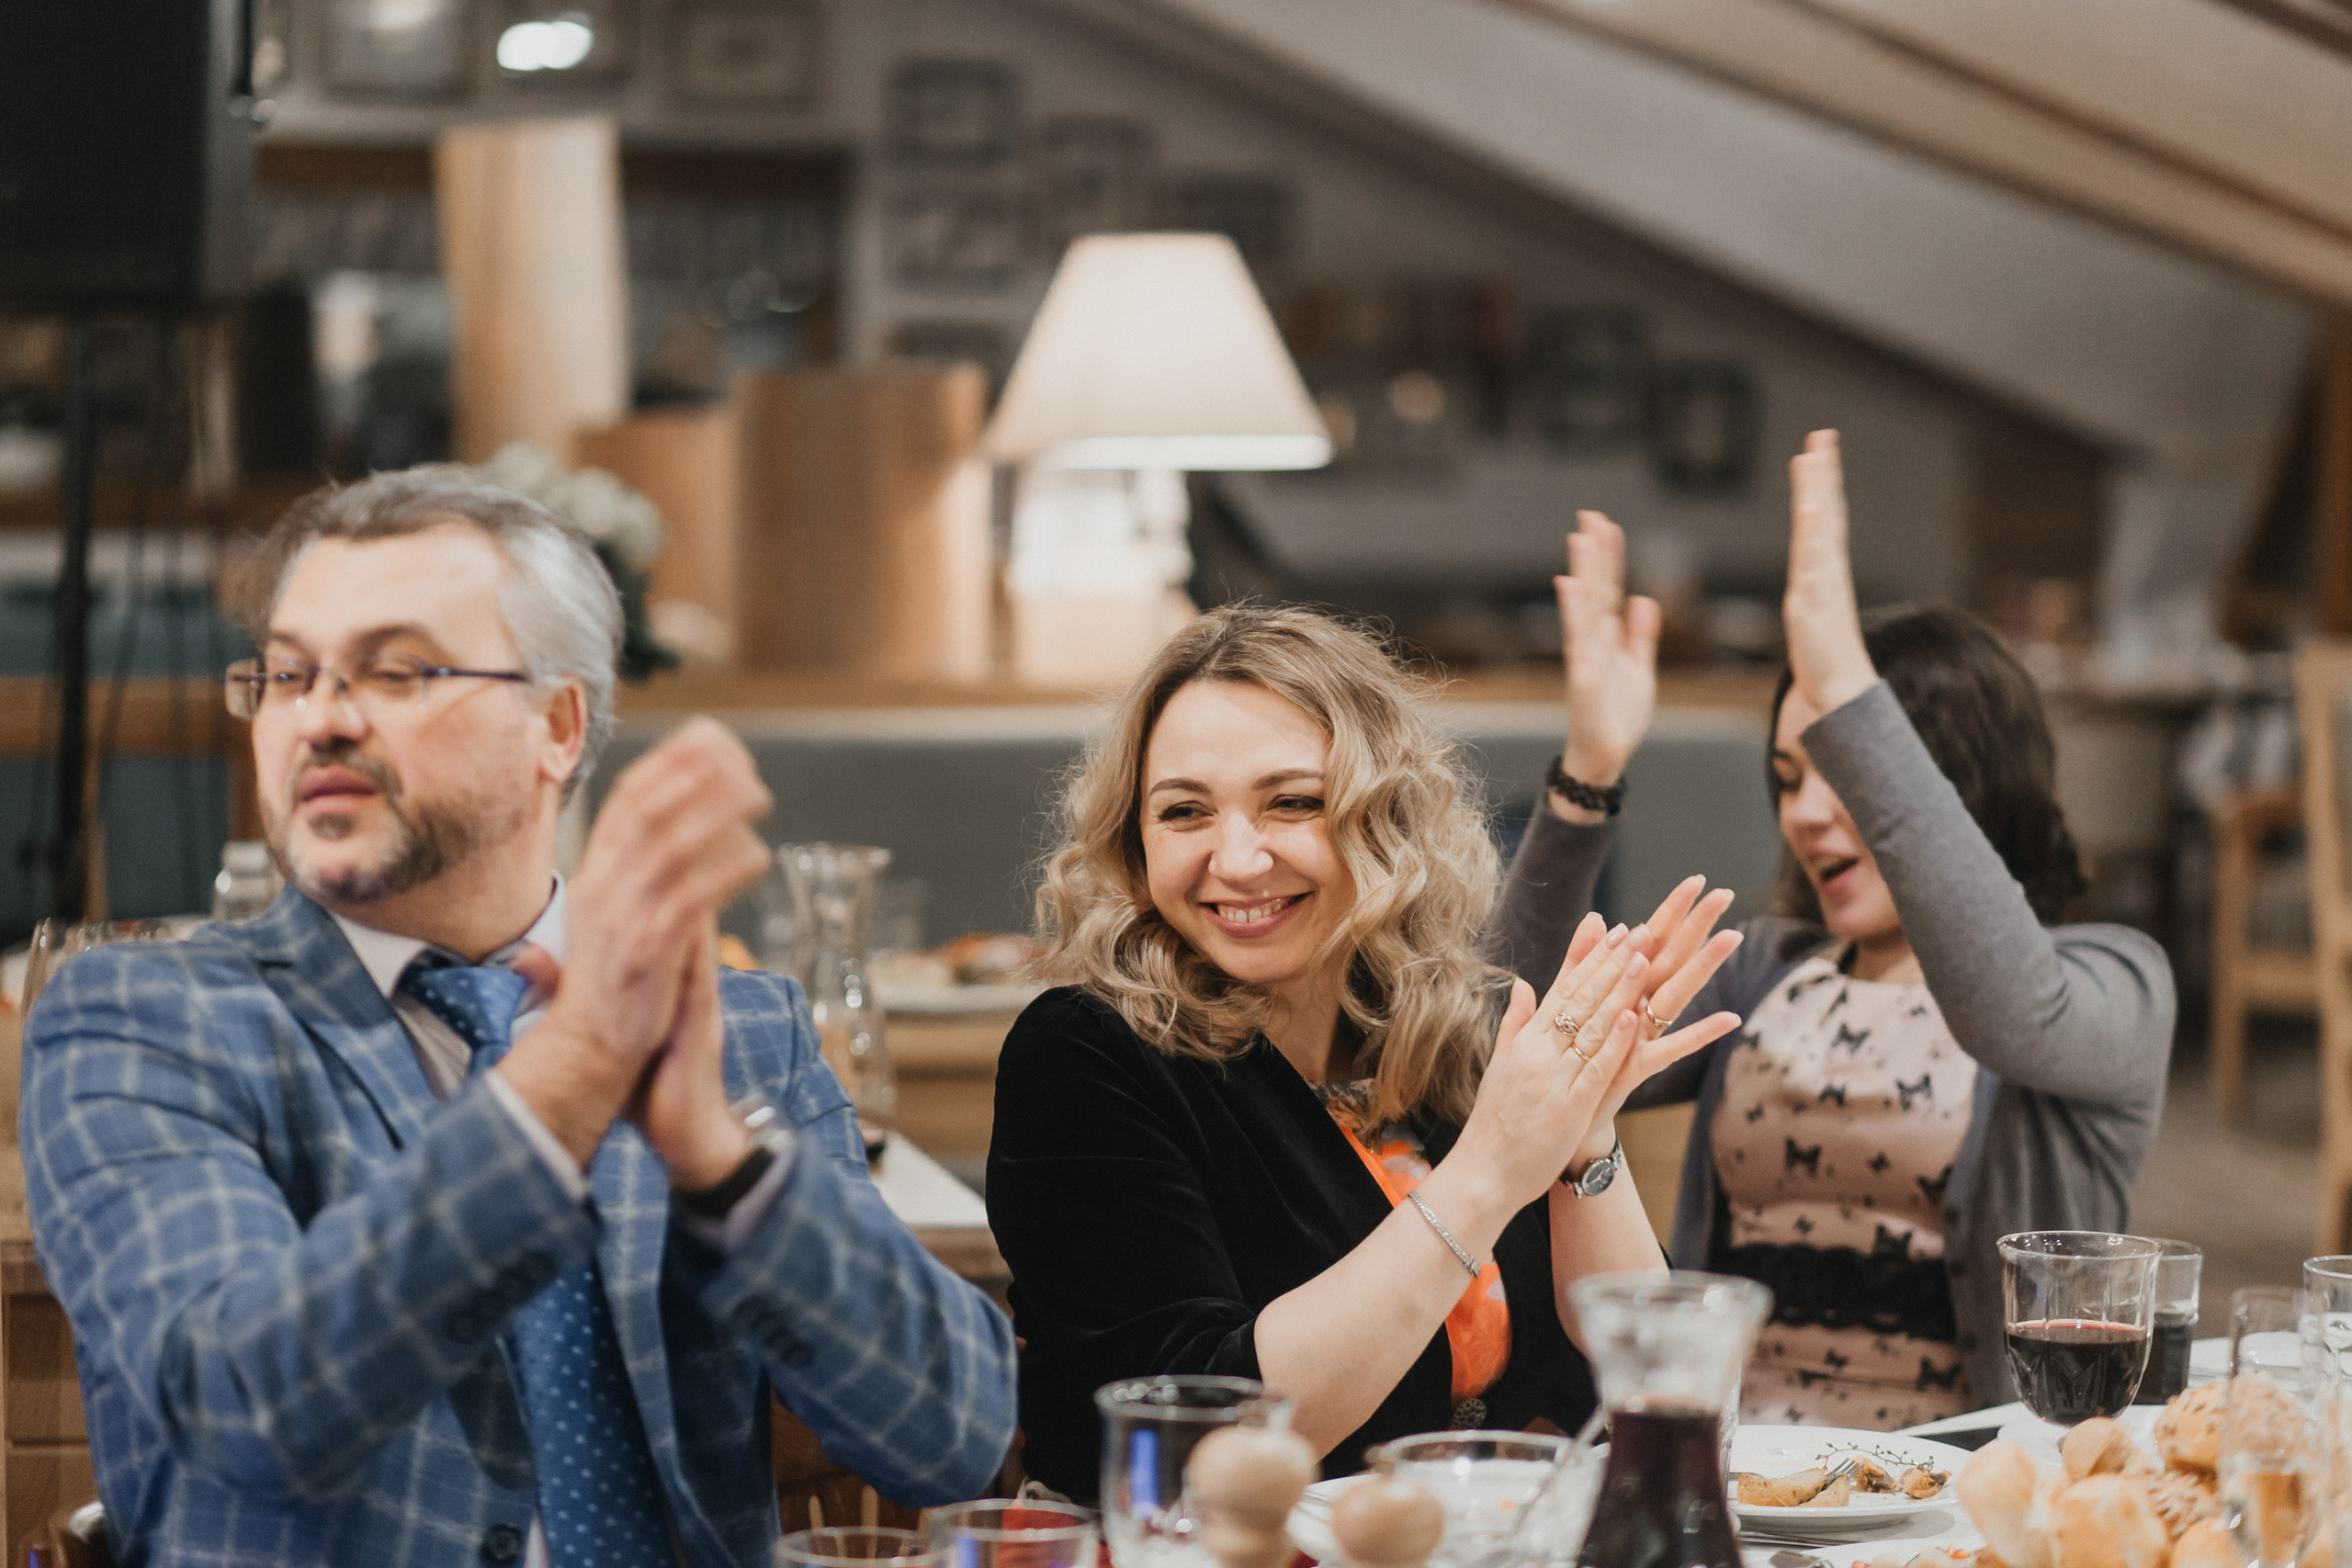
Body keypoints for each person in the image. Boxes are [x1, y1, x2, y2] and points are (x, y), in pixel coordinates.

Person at [19, 470, 1017, 1568]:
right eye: (291, 674)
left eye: (394, 672)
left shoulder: (737, 1028)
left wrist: (723, 1163)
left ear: (556, 722)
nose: (323, 719)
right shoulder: (149, 1021)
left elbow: (953, 1439)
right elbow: (247, 1407)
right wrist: (573, 1075)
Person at [988, 604, 1749, 1498]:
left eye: (1292, 803)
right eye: (1184, 812)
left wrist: (1584, 1143)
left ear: (1382, 817)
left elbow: (1658, 1397)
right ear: (1135, 839)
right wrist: (1493, 1169)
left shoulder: (1452, 1031)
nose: (1236, 859)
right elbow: (1217, 1438)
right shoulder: (1086, 1055)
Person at [1494, 429, 2176, 1427]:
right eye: (1786, 780)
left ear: (1951, 783)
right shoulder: (1766, 971)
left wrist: (1845, 683)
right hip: (1749, 1494)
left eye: (1843, 770)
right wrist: (1588, 772)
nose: (1806, 813)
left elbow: (2010, 1013)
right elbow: (1505, 1036)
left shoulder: (2112, 979)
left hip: (1966, 1504)